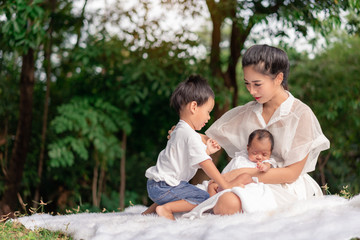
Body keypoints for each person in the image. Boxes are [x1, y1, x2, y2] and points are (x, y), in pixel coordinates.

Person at [185, 44, 330, 216]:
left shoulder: (300, 114)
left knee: (228, 201)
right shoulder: (247, 112)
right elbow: (211, 140)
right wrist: (185, 133)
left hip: (283, 187)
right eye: (247, 83)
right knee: (187, 196)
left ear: (278, 78)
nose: (251, 90)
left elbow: (291, 173)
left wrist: (241, 174)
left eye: (257, 84)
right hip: (241, 181)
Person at [143, 75, 242, 220]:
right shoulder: (190, 135)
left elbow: (188, 159)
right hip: (165, 187)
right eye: (208, 111)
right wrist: (224, 184)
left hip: (157, 185)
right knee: (205, 199)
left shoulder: (180, 129)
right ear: (194, 106)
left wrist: (207, 151)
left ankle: (149, 212)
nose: (208, 118)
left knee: (184, 190)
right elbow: (205, 164)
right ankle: (166, 208)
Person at [207, 129, 277, 197]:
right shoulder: (241, 157)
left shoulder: (266, 161)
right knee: (211, 186)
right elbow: (229, 169)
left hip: (245, 186)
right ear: (248, 148)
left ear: (270, 153)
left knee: (245, 176)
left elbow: (267, 167)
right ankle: (211, 204)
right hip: (228, 182)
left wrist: (263, 167)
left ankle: (227, 189)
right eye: (254, 153)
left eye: (264, 154)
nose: (259, 157)